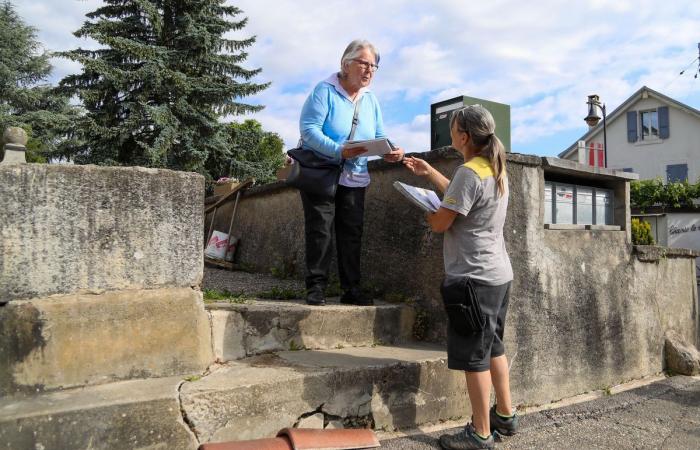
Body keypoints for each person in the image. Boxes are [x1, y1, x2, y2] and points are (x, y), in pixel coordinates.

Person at [403, 105, 517, 449]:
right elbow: (460, 193)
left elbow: (442, 221)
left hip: (472, 280)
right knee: (493, 346)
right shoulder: (493, 167)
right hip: (498, 276)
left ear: (464, 137)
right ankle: (505, 416)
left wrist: (428, 212)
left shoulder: (470, 172)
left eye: (453, 130)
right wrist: (430, 175)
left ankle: (481, 433)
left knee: (474, 358)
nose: (450, 134)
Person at [297, 39, 404, 306]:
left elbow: (378, 135)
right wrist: (338, 150)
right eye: (364, 63)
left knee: (351, 233)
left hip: (355, 175)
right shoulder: (325, 91)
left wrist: (390, 151)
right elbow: (309, 130)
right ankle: (316, 287)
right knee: (320, 230)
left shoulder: (371, 100)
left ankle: (351, 290)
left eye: (373, 66)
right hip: (322, 171)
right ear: (346, 64)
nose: (369, 70)